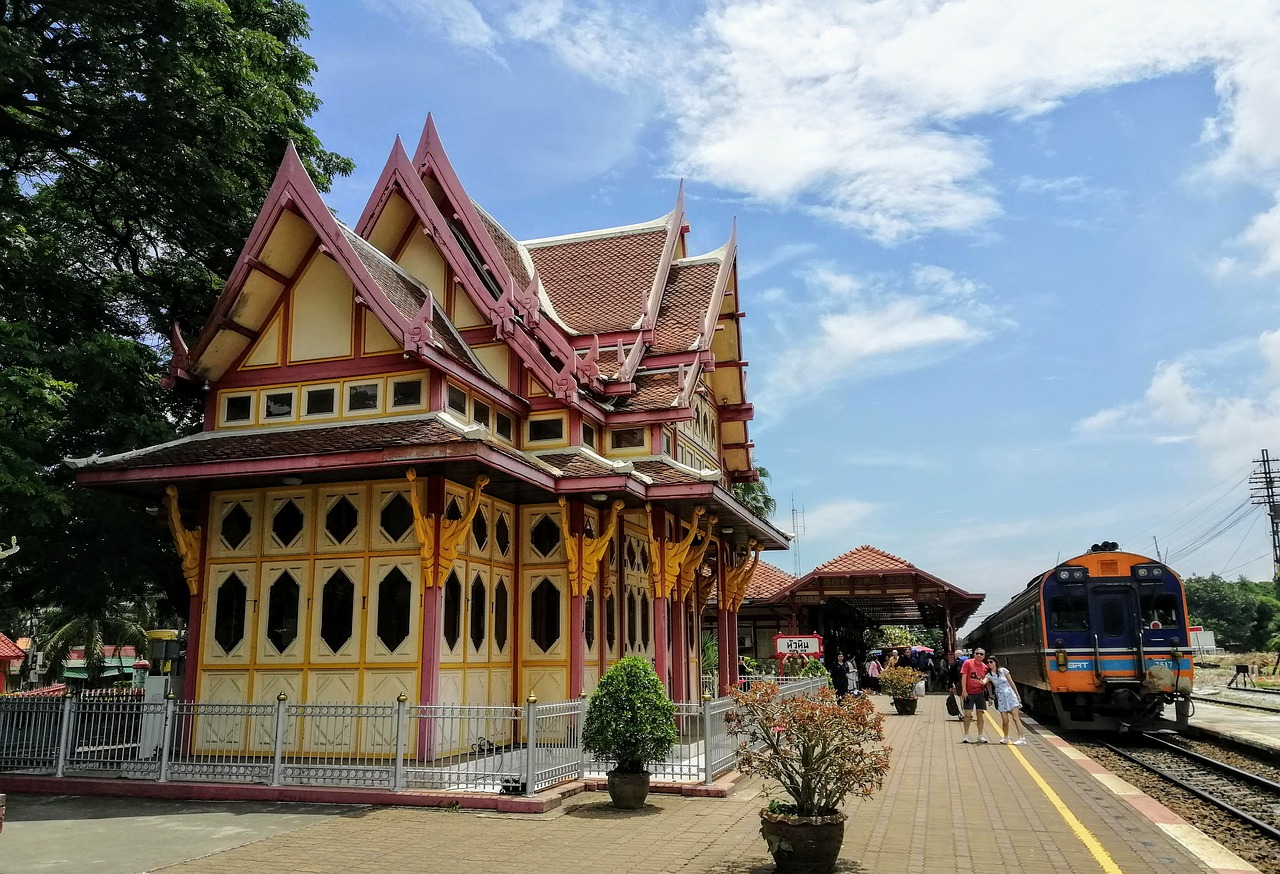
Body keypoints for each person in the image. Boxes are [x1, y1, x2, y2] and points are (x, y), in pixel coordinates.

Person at [986, 656, 1026, 745]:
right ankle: (1006, 737)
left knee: (1016, 718)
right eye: (988, 662)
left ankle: (1022, 738)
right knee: (1005, 720)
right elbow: (985, 682)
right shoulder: (989, 675)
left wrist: (1017, 694)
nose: (989, 664)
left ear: (995, 662)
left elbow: (1011, 682)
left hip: (1010, 695)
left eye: (991, 662)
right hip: (1001, 697)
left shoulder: (1003, 670)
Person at [956, 647, 991, 743]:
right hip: (969, 693)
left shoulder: (985, 667)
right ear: (974, 654)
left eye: (981, 654)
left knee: (980, 714)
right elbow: (964, 677)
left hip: (980, 693)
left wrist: (990, 695)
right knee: (967, 714)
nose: (979, 655)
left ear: (984, 656)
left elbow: (987, 681)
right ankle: (966, 735)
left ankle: (980, 735)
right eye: (977, 653)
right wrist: (964, 691)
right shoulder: (968, 663)